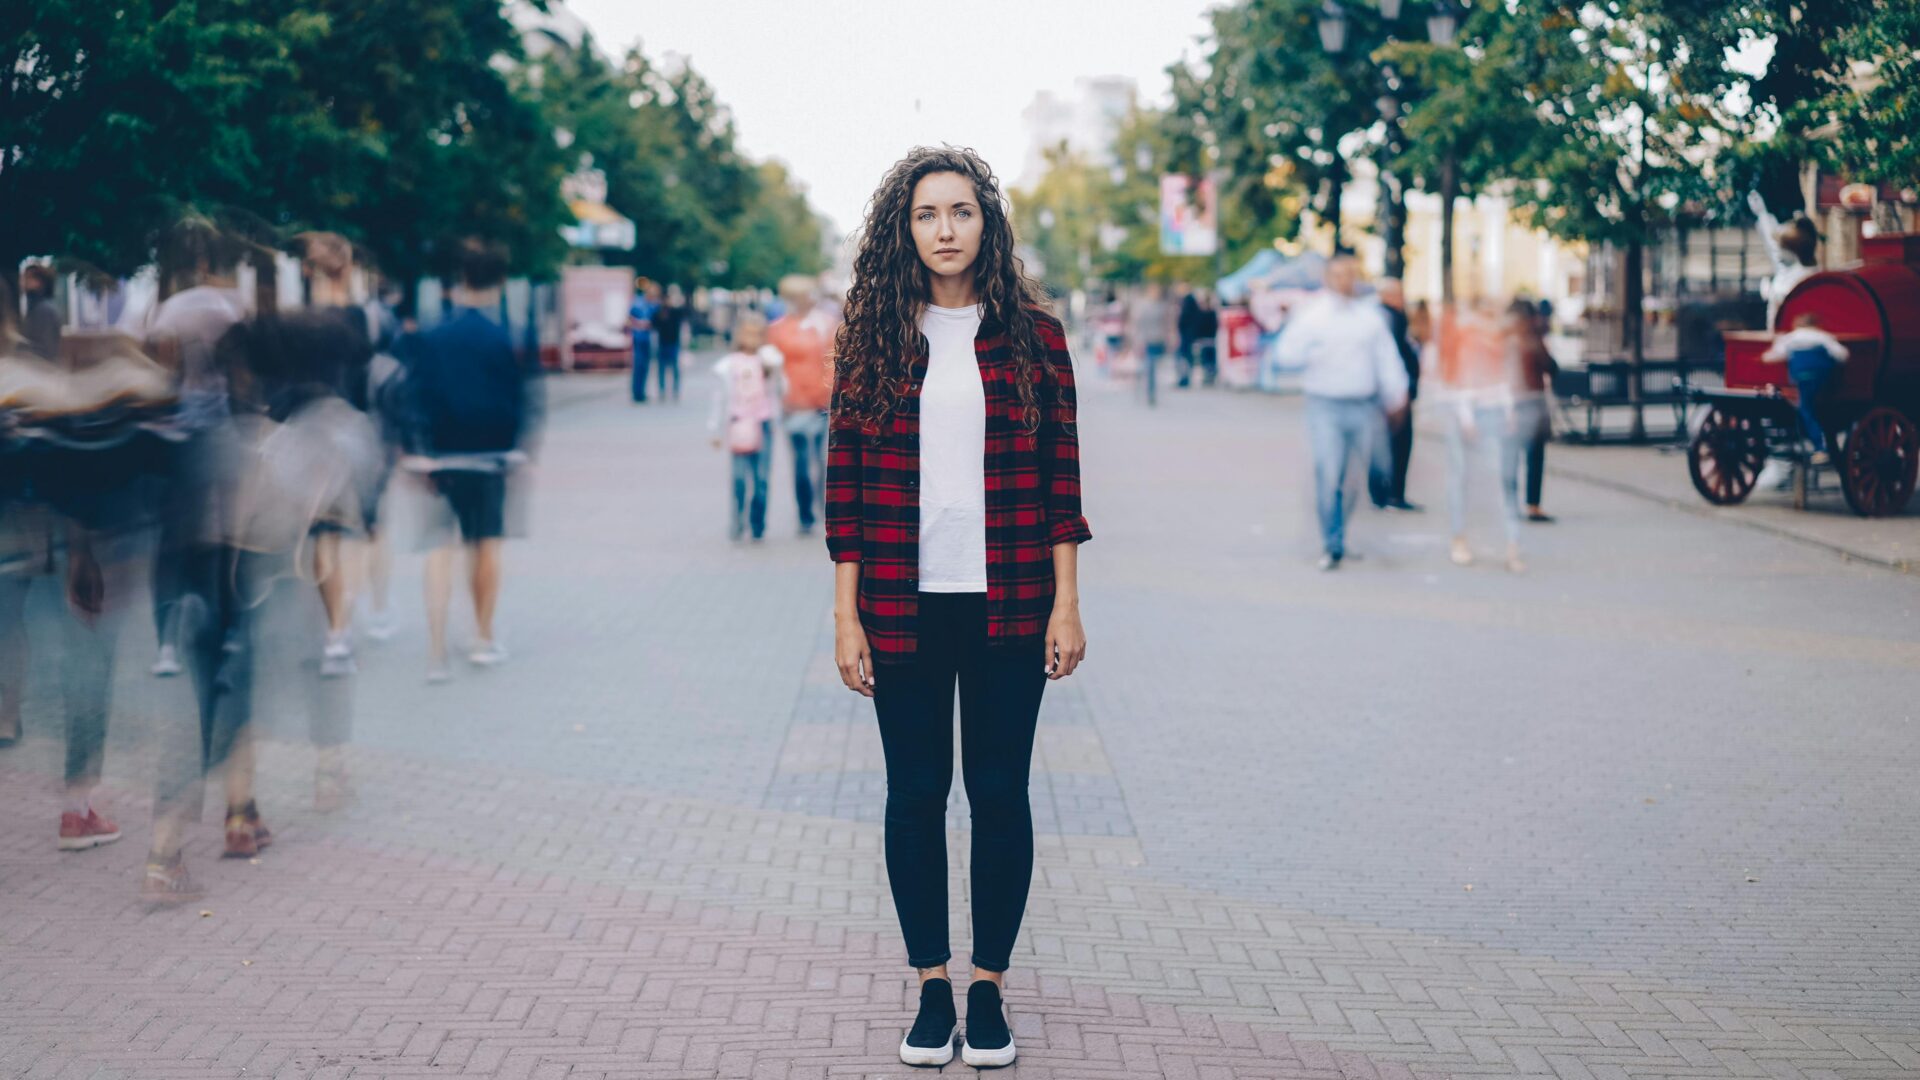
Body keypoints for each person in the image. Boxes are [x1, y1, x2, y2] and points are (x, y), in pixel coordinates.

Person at [826, 146, 1091, 1069]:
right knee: (914, 796)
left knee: (1000, 796)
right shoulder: (871, 334)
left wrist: (1068, 603)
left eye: (962, 212)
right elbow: (846, 486)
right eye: (929, 214)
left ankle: (989, 990)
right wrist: (844, 614)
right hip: (901, 603)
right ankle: (931, 985)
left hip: (1012, 601)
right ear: (905, 229)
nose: (946, 230)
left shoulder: (1035, 336)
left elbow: (1063, 480)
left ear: (988, 224)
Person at [399, 239, 533, 682]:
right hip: (490, 457)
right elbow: (520, 400)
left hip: (441, 457)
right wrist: (518, 450)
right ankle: (482, 636)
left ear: (459, 281)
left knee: (440, 547)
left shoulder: (433, 337)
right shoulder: (503, 337)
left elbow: (415, 395)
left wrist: (418, 450)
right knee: (485, 545)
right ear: (498, 283)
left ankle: (436, 650)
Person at [1274, 256, 1410, 570]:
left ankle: (1340, 534)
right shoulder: (1312, 316)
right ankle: (1331, 543)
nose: (1344, 280)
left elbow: (1386, 358)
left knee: (1351, 480)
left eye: (1350, 274)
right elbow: (1285, 353)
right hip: (1325, 405)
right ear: (1327, 278)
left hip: (1362, 406)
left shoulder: (1368, 318)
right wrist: (1311, 353)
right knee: (1328, 471)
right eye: (1338, 274)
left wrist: (1396, 393)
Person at [1433, 298, 1526, 572]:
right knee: (1460, 476)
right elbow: (1460, 381)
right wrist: (1466, 418)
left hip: (1491, 412)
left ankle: (1511, 543)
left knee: (1501, 477)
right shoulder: (1467, 338)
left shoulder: (1498, 341)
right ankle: (1459, 538)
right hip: (1466, 413)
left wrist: (1509, 412)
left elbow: (1504, 379)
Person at [767, 275, 835, 535]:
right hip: (792, 404)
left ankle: (821, 508)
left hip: (819, 403)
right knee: (801, 462)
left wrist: (827, 394)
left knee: (821, 459)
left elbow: (832, 361)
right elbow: (772, 365)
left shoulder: (824, 325)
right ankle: (805, 511)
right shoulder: (778, 329)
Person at [708, 312, 783, 541]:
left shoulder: (769, 359)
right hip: (739, 424)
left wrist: (774, 370)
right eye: (747, 333)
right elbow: (719, 398)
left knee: (761, 478)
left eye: (756, 334)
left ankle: (757, 522)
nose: (751, 338)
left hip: (764, 423)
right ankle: (738, 520)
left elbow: (783, 390)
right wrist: (715, 429)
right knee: (739, 478)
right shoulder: (728, 365)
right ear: (738, 335)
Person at [1763, 312, 1850, 465]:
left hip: (1801, 377)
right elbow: (1842, 354)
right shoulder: (1823, 337)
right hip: (1822, 378)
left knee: (1806, 408)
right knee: (1809, 406)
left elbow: (1773, 356)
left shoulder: (1790, 338)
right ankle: (1821, 447)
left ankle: (1820, 447)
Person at [1370, 278, 1423, 512]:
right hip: (1395, 392)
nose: (1403, 299)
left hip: (1385, 391)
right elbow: (1395, 356)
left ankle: (1381, 492)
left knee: (1383, 440)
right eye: (1400, 294)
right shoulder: (1391, 318)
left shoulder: (1377, 316)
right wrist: (1403, 388)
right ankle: (1392, 493)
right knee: (1398, 442)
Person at [1510, 299, 1558, 522]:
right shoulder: (1531, 338)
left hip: (1510, 402)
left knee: (1510, 455)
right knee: (1535, 455)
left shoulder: (1503, 339)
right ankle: (1533, 505)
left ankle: (1509, 504)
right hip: (1532, 400)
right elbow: (1550, 366)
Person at [1749, 191, 1819, 329]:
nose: (1778, 251)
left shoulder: (1798, 277)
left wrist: (1770, 292)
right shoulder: (1796, 272)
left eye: (1781, 248)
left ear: (1792, 250)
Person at [1127, 283, 1173, 406]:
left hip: (1157, 339)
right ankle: (1149, 391)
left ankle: (1150, 390)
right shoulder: (1143, 306)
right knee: (1150, 366)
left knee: (1153, 366)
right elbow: (1137, 324)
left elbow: (1166, 324)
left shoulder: (1161, 306)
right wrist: (1135, 340)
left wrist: (1168, 338)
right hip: (1145, 340)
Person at [20, 264, 63, 362]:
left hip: (41, 371)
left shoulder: (44, 310)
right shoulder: (35, 308)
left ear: (38, 282)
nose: (23, 282)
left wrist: (20, 349)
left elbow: (47, 349)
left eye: (27, 278)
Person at [653, 284, 688, 403]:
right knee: (662, 369)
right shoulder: (659, 313)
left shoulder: (675, 312)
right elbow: (654, 325)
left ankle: (675, 390)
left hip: (673, 343)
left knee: (674, 369)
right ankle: (662, 390)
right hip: (662, 343)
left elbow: (683, 313)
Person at [626, 278, 659, 403]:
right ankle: (636, 392)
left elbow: (657, 321)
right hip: (638, 338)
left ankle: (642, 392)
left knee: (645, 366)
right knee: (638, 365)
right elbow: (629, 318)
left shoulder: (654, 305)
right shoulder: (637, 302)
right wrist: (638, 324)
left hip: (648, 339)